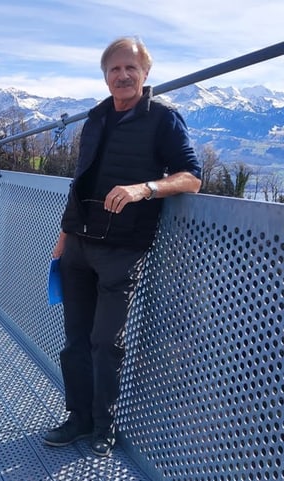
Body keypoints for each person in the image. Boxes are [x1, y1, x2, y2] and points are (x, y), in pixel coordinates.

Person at [43, 37, 201, 457]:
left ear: (146, 75)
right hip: (77, 245)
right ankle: (77, 419)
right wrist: (62, 238)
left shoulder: (164, 120)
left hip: (121, 250)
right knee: (74, 341)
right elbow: (81, 185)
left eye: (131, 68)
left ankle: (103, 426)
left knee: (105, 342)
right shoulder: (94, 118)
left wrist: (144, 188)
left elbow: (192, 177)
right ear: (105, 75)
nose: (123, 75)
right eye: (114, 68)